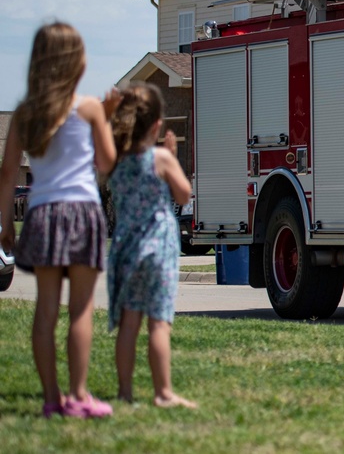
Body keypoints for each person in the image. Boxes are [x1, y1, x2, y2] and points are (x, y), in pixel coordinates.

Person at [0, 22, 120, 419]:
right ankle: (80, 396)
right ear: (76, 62)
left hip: (41, 213)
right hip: (81, 212)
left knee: (45, 310)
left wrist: (4, 224)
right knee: (80, 311)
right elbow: (106, 163)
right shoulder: (86, 108)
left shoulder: (24, 113)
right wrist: (107, 118)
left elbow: (6, 174)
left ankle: (51, 399)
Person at [107, 82, 197, 409]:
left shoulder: (115, 161)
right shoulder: (160, 157)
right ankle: (163, 393)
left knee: (129, 323)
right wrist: (172, 158)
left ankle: (125, 393)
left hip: (127, 249)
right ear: (157, 125)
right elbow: (184, 194)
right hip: (158, 249)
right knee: (158, 321)